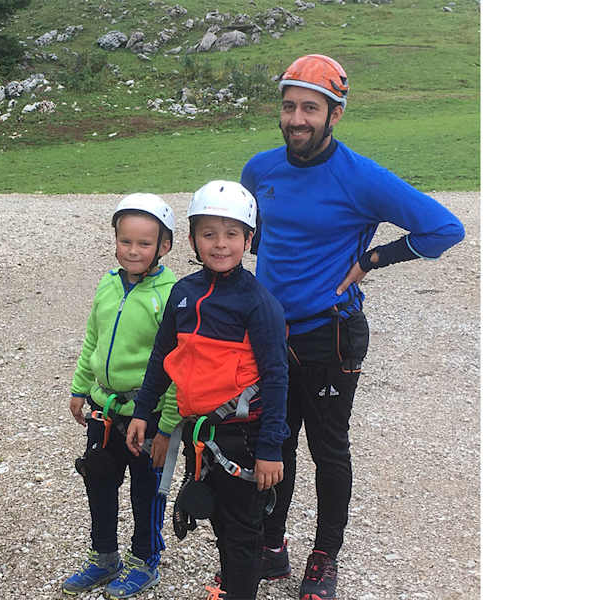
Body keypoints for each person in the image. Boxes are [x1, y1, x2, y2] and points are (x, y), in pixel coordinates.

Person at [240, 54, 466, 600]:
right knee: (274, 442)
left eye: (310, 108)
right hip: (269, 333)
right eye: (289, 106)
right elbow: (255, 235)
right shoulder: (259, 170)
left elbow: (444, 228)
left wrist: (373, 259)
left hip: (330, 333)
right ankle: (272, 545)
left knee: (328, 448)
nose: (297, 118)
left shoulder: (361, 177)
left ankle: (324, 556)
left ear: (334, 114)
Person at [126, 180, 290, 600]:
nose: (220, 244)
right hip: (201, 436)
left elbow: (276, 377)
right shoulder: (184, 294)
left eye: (232, 234)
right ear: (193, 240)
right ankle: (232, 585)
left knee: (242, 531)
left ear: (248, 240)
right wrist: (143, 412)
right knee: (221, 522)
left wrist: (271, 448)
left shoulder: (258, 304)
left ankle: (239, 590)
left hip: (243, 438)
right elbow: (163, 357)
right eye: (209, 234)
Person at [62, 193, 180, 598]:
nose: (132, 250)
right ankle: (104, 556)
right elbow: (93, 338)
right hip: (103, 408)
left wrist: (167, 425)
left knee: (146, 490)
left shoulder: (170, 294)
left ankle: (145, 560)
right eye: (125, 240)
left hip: (145, 413)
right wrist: (80, 387)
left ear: (165, 246)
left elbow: (177, 364)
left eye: (144, 243)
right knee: (98, 480)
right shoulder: (109, 283)